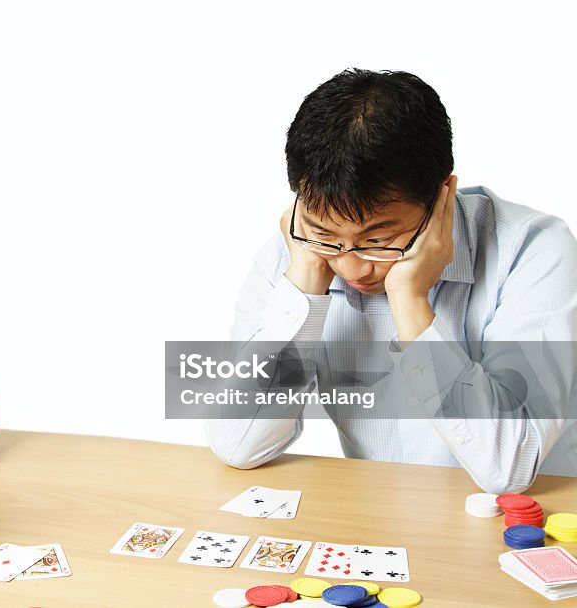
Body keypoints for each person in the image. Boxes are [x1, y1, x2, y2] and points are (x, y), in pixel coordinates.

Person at [205, 68, 577, 493]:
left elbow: (508, 468)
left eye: (378, 240)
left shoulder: (533, 251)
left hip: (533, 523)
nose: (351, 268)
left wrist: (411, 303)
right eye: (326, 234)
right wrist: (306, 283)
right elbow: (237, 444)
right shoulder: (299, 251)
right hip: (382, 518)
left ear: (443, 196)